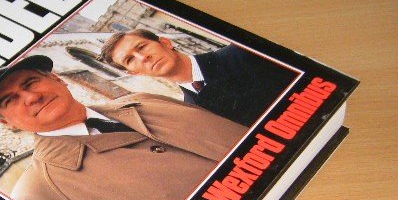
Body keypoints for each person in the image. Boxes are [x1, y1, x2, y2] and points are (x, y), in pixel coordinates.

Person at [0, 55, 246, 200]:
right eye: (9, 100)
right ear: (4, 122)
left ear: (58, 80)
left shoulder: (147, 101)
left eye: (30, 83)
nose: (31, 97)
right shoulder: (38, 194)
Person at [100, 29, 297, 126]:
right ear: (134, 73)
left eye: (142, 47)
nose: (143, 57)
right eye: (130, 59)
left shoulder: (244, 52)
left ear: (166, 42)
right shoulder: (192, 111)